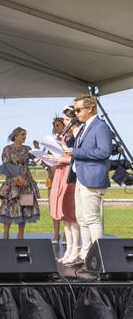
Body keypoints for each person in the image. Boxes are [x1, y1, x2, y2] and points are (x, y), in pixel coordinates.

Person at [65, 94, 112, 263]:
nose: (75, 113)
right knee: (81, 218)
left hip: (92, 178)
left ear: (89, 108)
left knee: (91, 218)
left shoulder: (100, 127)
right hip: (81, 177)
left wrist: (75, 152)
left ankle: (98, 257)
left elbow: (104, 152)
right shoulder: (85, 127)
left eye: (78, 109)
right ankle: (86, 255)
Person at [48, 108, 81, 264]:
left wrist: (58, 158)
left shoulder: (77, 137)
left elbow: (75, 159)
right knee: (65, 217)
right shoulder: (66, 137)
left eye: (66, 120)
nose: (64, 123)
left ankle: (76, 249)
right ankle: (69, 249)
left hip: (71, 175)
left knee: (72, 214)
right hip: (61, 173)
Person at [0, 127, 40, 239]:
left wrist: (36, 148)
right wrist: (16, 177)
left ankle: (20, 235)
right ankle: (6, 234)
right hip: (13, 181)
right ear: (15, 135)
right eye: (22, 134)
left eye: (25, 135)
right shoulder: (7, 149)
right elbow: (6, 164)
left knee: (25, 206)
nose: (24, 137)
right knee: (9, 205)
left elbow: (36, 160)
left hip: (26, 181)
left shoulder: (27, 149)